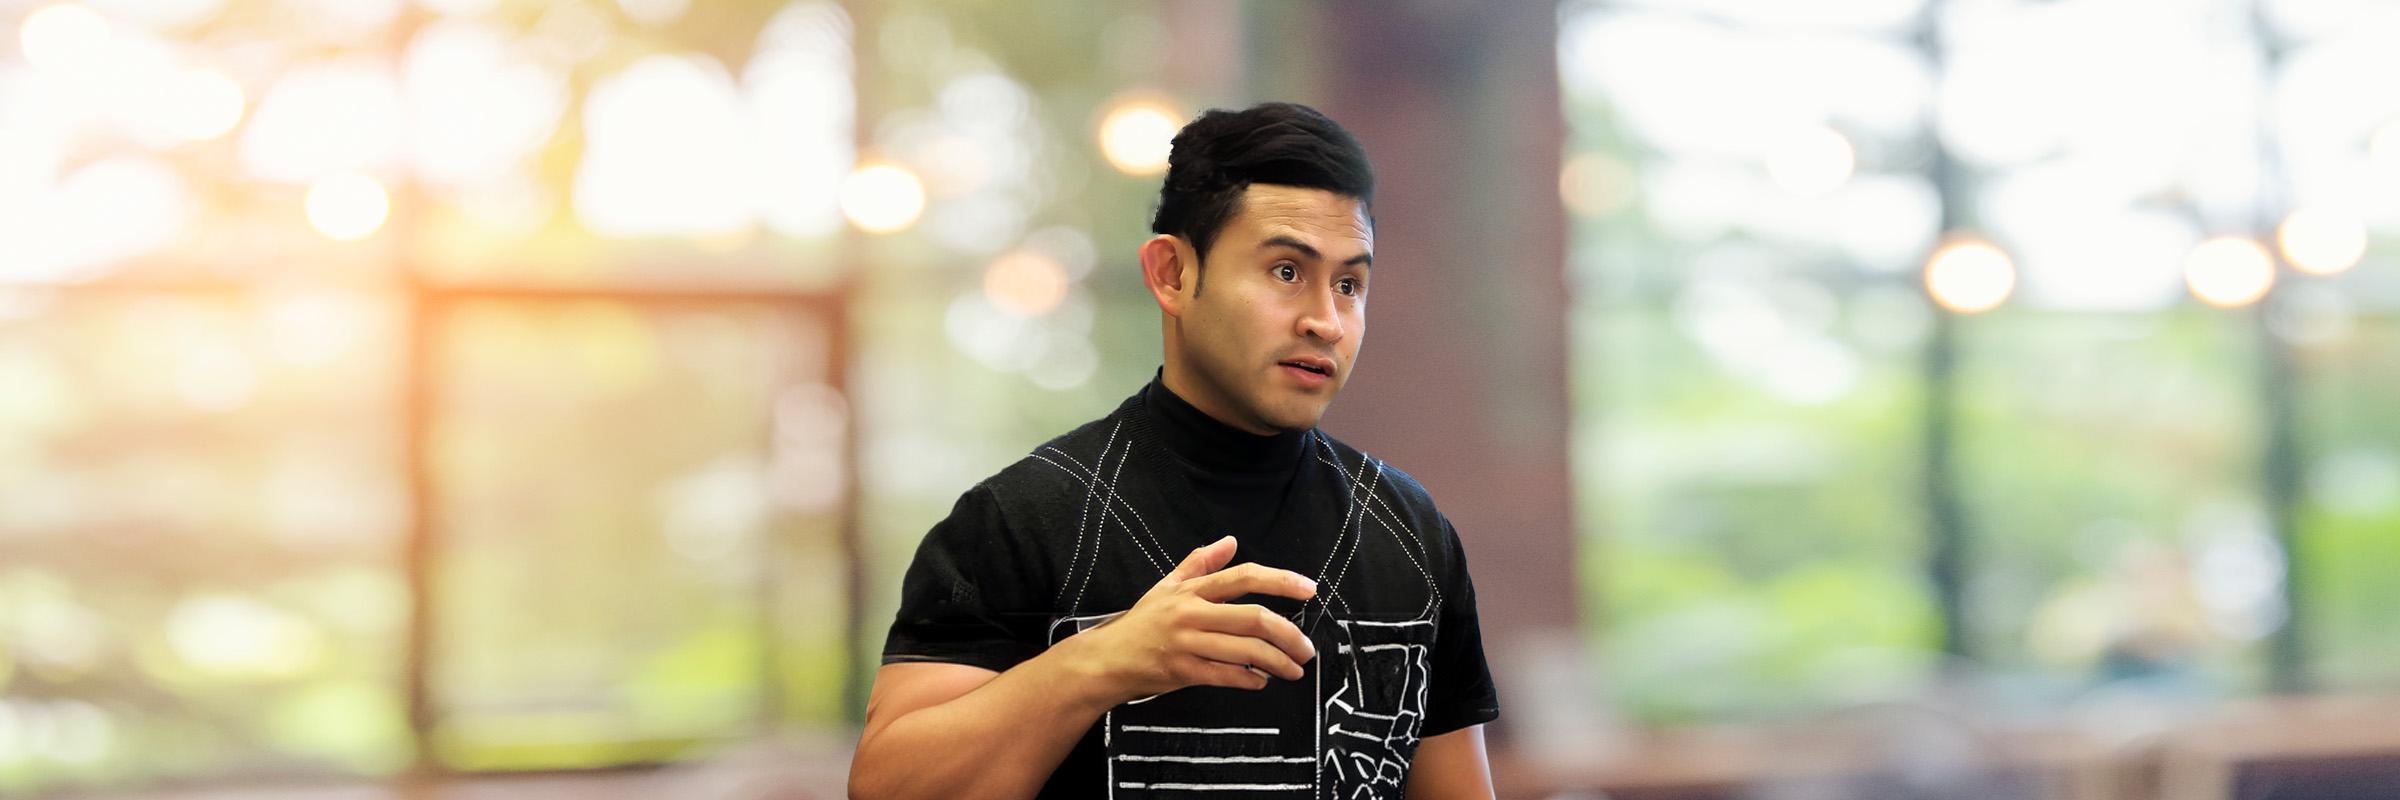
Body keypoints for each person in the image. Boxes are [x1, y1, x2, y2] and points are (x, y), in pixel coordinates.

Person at [849, 102, 1499, 799]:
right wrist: (1104, 662)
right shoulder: (1020, 518)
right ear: (1171, 274)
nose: (1326, 321)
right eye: (1286, 272)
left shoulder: (1410, 530)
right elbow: (886, 788)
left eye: (1349, 284)